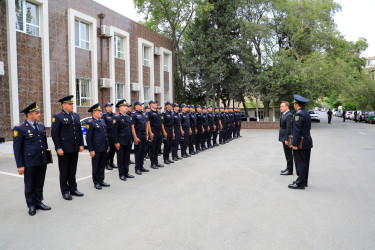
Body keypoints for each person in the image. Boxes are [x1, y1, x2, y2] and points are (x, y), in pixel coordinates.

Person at [13, 102, 51, 216]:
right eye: (36, 113)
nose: (39, 115)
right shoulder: (20, 128)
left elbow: (43, 143)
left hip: (41, 160)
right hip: (29, 162)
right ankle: (31, 205)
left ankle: (39, 201)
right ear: (29, 115)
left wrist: (47, 157)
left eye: (39, 112)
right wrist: (20, 165)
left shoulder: (41, 126)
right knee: (30, 184)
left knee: (39, 183)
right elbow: (17, 149)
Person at [52, 95, 84, 200]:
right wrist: (58, 148)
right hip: (64, 149)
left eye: (72, 104)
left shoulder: (76, 116)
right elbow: (55, 134)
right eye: (70, 104)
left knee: (72, 170)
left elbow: (79, 132)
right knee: (64, 170)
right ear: (63, 105)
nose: (72, 106)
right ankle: (65, 191)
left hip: (74, 148)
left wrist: (81, 144)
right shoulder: (57, 116)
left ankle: (73, 189)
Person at [288, 94, 313, 190]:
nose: (294, 105)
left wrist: (294, 144)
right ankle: (303, 180)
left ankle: (299, 183)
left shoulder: (298, 114)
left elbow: (297, 131)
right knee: (305, 163)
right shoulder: (306, 113)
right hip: (307, 141)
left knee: (300, 163)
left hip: (301, 143)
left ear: (297, 104)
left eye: (294, 103)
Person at [86, 103, 110, 190]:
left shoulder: (102, 121)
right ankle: (96, 182)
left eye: (100, 111)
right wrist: (91, 150)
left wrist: (108, 146)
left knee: (102, 165)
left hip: (103, 147)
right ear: (93, 113)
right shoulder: (90, 123)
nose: (100, 112)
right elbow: (88, 138)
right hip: (96, 148)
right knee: (96, 166)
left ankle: (101, 180)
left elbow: (105, 134)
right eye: (98, 111)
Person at [113, 99, 134, 181]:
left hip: (128, 141)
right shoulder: (116, 118)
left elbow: (129, 130)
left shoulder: (128, 117)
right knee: (120, 159)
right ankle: (121, 174)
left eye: (126, 106)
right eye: (124, 106)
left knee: (126, 158)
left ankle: (126, 172)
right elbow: (114, 132)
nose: (126, 107)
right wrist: (116, 142)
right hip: (120, 142)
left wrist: (131, 139)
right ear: (120, 108)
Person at [131, 101, 150, 175]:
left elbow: (146, 124)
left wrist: (147, 135)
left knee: (143, 151)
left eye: (141, 105)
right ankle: (137, 168)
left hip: (144, 134)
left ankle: (141, 166)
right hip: (138, 134)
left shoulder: (143, 114)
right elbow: (132, 126)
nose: (141, 106)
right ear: (136, 106)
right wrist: (135, 137)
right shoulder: (134, 115)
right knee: (138, 152)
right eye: (139, 105)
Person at [147, 100, 164, 169]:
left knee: (157, 148)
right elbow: (148, 123)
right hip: (153, 132)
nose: (156, 104)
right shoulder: (149, 113)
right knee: (152, 148)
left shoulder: (158, 112)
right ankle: (152, 163)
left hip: (159, 132)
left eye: (156, 103)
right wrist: (150, 133)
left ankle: (156, 161)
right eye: (154, 103)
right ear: (150, 105)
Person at [279, 101, 294, 176]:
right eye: (280, 106)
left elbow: (289, 129)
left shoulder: (289, 115)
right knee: (286, 154)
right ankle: (288, 168)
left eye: (282, 106)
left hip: (286, 138)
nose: (280, 107)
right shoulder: (285, 114)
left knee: (288, 154)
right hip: (283, 137)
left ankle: (290, 170)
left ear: (287, 107)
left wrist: (287, 139)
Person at [102, 102, 117, 170]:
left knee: (113, 150)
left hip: (114, 135)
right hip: (108, 135)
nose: (111, 107)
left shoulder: (114, 115)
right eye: (109, 106)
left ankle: (111, 162)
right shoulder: (104, 116)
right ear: (106, 108)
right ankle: (106, 163)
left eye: (111, 106)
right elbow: (104, 126)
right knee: (108, 150)